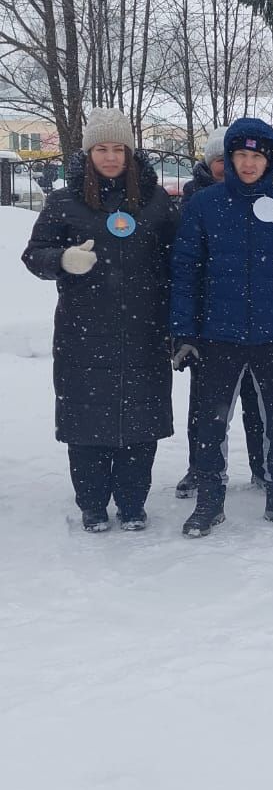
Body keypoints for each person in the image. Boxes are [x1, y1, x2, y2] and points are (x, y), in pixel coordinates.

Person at [21, 107, 178, 532]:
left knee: (140, 422)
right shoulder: (64, 202)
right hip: (83, 333)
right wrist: (63, 260)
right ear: (88, 153)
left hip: (144, 331)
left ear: (130, 153)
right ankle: (92, 503)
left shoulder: (155, 201)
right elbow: (33, 255)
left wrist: (176, 322)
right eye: (101, 149)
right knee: (86, 423)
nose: (110, 157)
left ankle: (132, 502)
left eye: (118, 149)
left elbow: (176, 263)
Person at [170, 117, 273, 536]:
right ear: (229, 158)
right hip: (218, 337)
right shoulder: (204, 205)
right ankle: (209, 501)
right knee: (212, 423)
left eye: (257, 155)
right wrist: (183, 331)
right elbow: (185, 271)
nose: (248, 163)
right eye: (241, 155)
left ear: (269, 160)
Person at [175, 127, 267, 499]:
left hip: (257, 322)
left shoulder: (260, 199)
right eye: (219, 160)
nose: (226, 167)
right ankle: (201, 467)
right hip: (208, 323)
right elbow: (183, 265)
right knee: (206, 407)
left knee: (257, 404)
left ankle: (262, 466)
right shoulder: (193, 202)